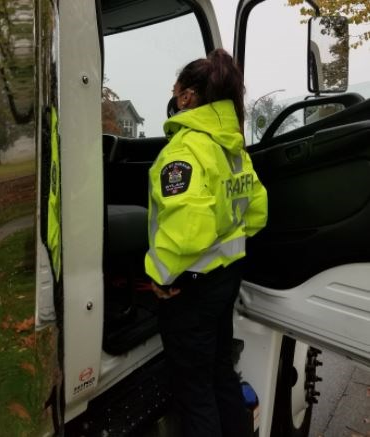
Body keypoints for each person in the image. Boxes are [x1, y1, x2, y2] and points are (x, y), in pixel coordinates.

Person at [144, 48, 268, 437]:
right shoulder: (232, 148)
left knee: (195, 393)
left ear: (187, 97)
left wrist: (160, 277)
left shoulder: (184, 149)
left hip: (190, 291)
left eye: (176, 89)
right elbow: (257, 212)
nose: (173, 95)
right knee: (220, 374)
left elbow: (187, 229)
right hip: (225, 280)